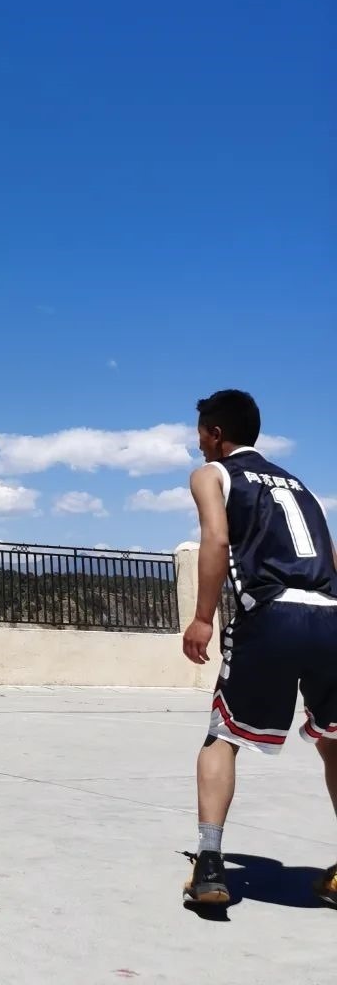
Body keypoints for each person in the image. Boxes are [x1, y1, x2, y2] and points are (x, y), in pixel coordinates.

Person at [181, 389, 337, 907]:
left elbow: (216, 540)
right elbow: (331, 556)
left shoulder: (213, 474)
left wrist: (202, 618)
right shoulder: (301, 486)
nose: (199, 445)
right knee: (334, 741)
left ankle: (209, 866)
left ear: (216, 433)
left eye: (201, 435)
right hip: (330, 615)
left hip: (272, 614)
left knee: (221, 736)